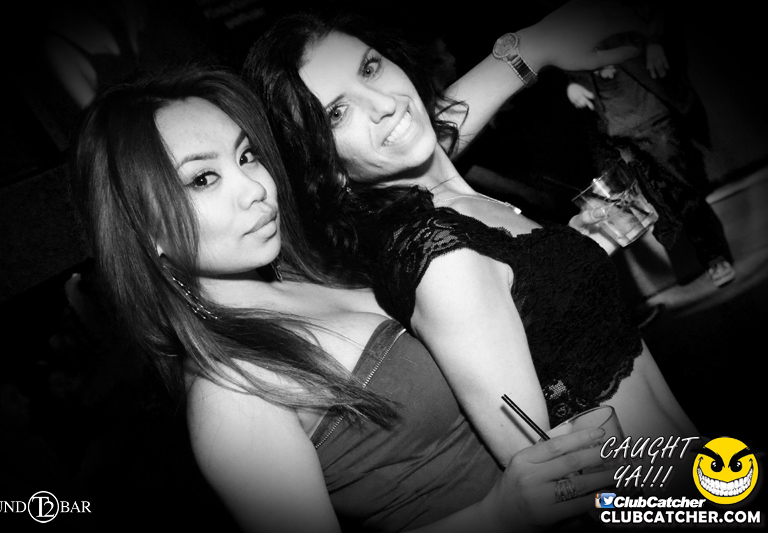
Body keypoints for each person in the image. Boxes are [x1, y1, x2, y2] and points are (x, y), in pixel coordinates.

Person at [70, 66, 619, 533]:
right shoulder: (230, 396)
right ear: (146, 231)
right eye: (203, 179)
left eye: (247, 156)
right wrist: (502, 513)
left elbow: (403, 137)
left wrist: (530, 50)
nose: (254, 188)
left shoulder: (309, 269)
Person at [243, 4, 699, 469]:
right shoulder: (438, 254)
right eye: (337, 113)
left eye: (370, 68)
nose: (384, 104)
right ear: (326, 168)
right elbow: (549, 472)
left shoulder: (450, 205)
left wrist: (565, 256)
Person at [564, 1, 735, 287]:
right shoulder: (569, 16)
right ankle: (690, 262)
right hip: (612, 125)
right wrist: (570, 81)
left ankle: (713, 256)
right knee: (653, 202)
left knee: (683, 190)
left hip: (649, 112)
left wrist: (654, 40)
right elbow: (561, 49)